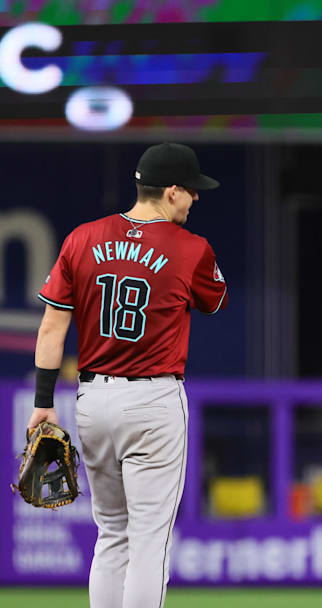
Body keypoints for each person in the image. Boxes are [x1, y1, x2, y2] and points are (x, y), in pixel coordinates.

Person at [30, 142, 227, 608]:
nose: (196, 199)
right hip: (153, 400)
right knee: (149, 539)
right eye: (192, 191)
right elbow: (214, 301)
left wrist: (42, 402)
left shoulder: (82, 238)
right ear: (172, 191)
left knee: (111, 533)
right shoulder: (191, 248)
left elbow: (52, 327)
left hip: (93, 400)